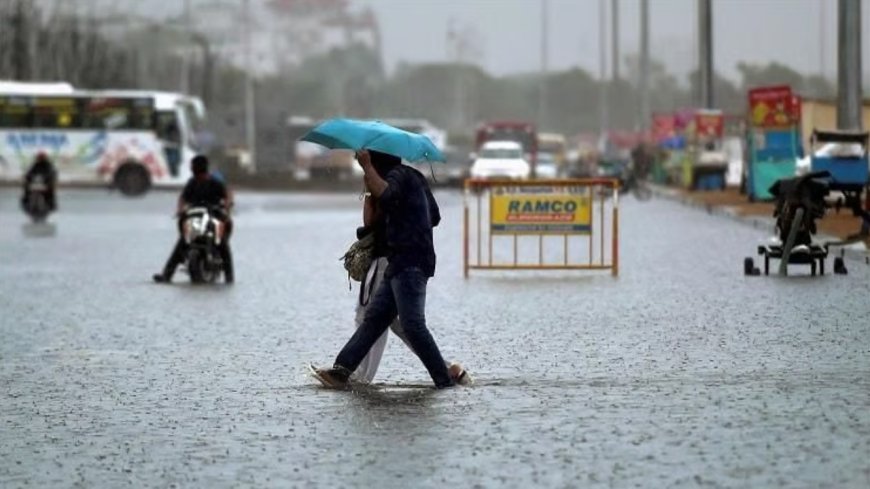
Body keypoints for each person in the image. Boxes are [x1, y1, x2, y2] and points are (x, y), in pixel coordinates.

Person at [314, 150, 455, 389]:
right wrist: (401, 210)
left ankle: (445, 380)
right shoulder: (413, 178)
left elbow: (388, 195)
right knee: (374, 319)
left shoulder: (399, 176)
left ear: (377, 162)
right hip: (399, 261)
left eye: (370, 163)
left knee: (412, 325)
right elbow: (433, 216)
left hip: (411, 262)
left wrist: (367, 167)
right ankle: (341, 372)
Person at [351, 192, 470, 385]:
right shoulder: (405, 187)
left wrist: (368, 197)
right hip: (400, 259)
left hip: (384, 259)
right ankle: (446, 368)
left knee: (369, 315)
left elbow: (370, 223)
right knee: (396, 321)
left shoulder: (381, 185)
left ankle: (360, 376)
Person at [152, 155, 234, 284]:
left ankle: (229, 277)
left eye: (193, 166)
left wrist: (227, 205)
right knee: (182, 242)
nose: (192, 169)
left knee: (222, 243)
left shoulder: (215, 182)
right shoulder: (192, 182)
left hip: (213, 215)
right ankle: (167, 275)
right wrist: (180, 210)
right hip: (195, 216)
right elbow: (183, 198)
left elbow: (227, 193)